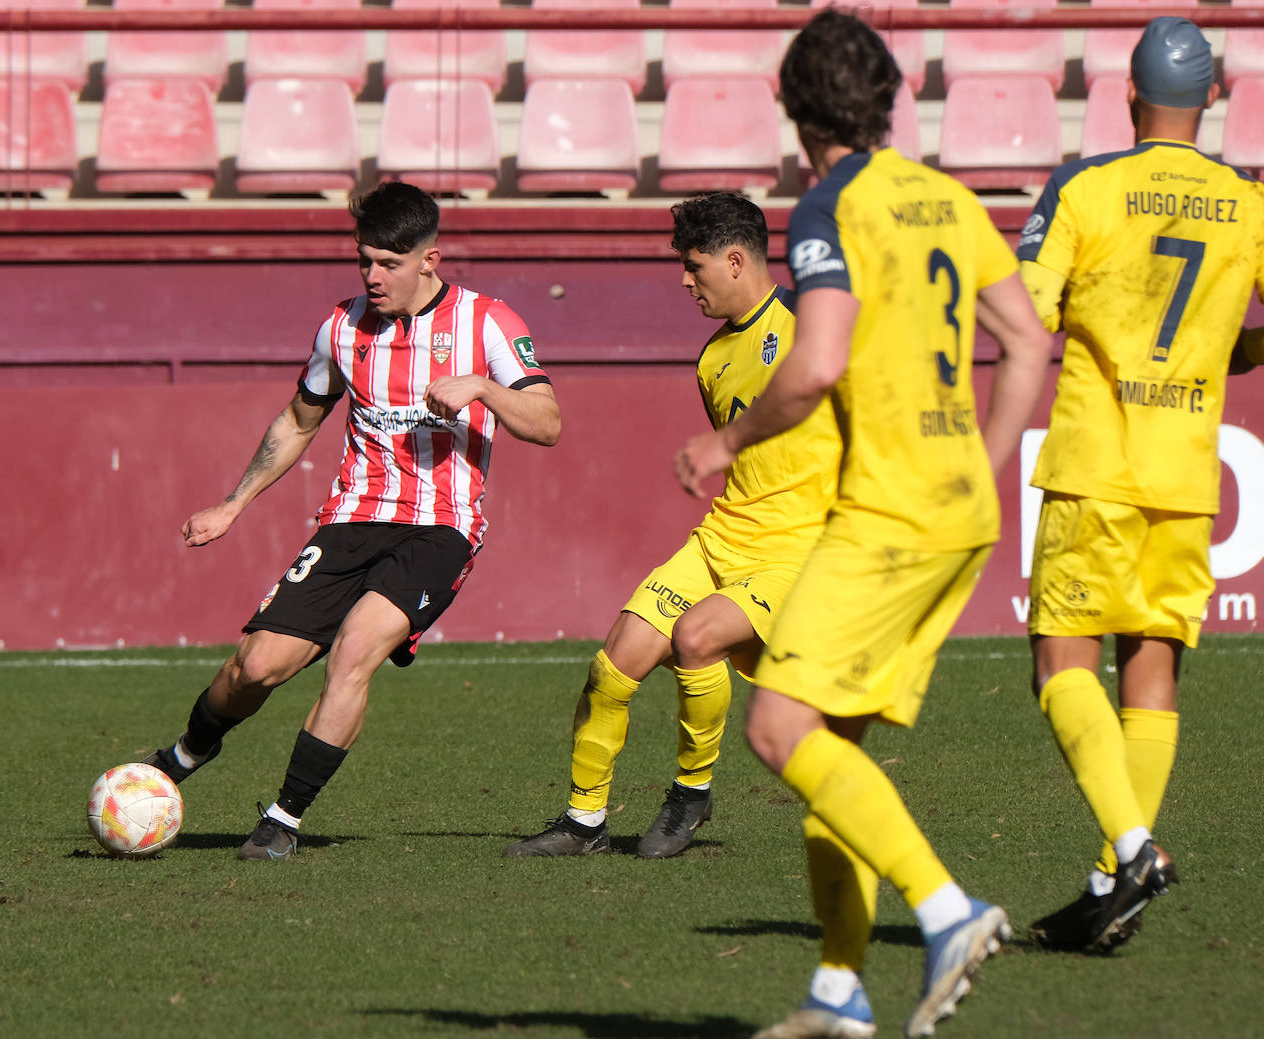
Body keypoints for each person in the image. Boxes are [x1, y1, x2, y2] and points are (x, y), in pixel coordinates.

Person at [675, 11, 1051, 1039]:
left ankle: (949, 911)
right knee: (827, 750)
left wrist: (727, 442)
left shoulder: (825, 207)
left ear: (796, 111)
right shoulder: (946, 198)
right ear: (889, 99)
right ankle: (839, 991)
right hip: (956, 505)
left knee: (775, 724)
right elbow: (1025, 340)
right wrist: (980, 463)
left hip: (885, 508)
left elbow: (819, 360)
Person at [1016, 15, 1264, 951]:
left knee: (1060, 667)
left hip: (1095, 468)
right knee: (1149, 677)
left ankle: (1135, 847)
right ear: (1214, 100)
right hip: (1186, 476)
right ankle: (1114, 884)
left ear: (1129, 96)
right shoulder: (1253, 200)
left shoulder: (1085, 185)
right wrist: (1246, 350)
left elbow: (1027, 311)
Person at [139, 180, 562, 861]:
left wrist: (483, 387)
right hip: (350, 519)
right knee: (254, 667)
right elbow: (300, 420)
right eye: (364, 259)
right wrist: (233, 503)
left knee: (354, 651)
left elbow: (548, 422)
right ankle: (186, 752)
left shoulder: (487, 322)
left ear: (430, 259)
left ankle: (282, 819)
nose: (372, 275)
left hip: (440, 527)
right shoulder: (340, 328)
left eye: (388, 263)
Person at [504, 192, 841, 860]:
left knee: (697, 637)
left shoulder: (816, 323)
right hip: (723, 537)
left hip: (798, 549)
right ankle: (584, 820)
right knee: (615, 661)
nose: (685, 282)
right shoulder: (712, 360)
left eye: (695, 266)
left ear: (737, 260)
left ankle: (692, 792)